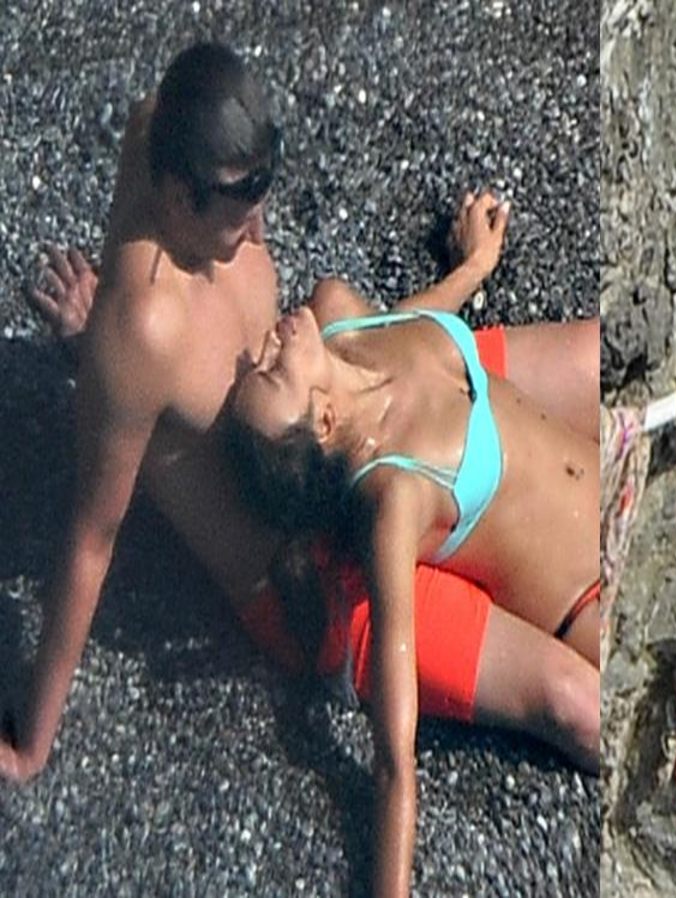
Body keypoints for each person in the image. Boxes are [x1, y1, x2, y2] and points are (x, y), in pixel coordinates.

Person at [2, 40, 599, 798]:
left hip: (336, 391)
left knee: (593, 358)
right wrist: (33, 741)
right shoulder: (146, 329)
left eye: (262, 198)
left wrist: (467, 275)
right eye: (236, 214)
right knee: (578, 706)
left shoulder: (160, 130)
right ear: (182, 197)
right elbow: (93, 537)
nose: (257, 230)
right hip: (311, 561)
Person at [225, 267, 599, 896]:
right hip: (583, 592)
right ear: (322, 422)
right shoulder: (394, 498)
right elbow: (395, 754)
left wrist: (475, 265)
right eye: (270, 369)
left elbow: (416, 321)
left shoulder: (339, 312)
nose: (262, 344)